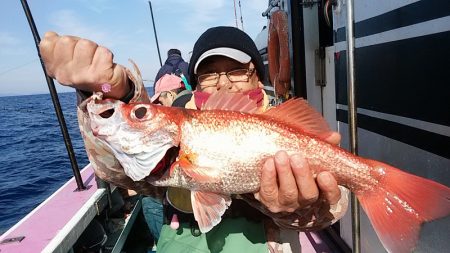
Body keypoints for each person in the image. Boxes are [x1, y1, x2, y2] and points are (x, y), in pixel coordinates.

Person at [39, 27, 348, 252]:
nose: (224, 83)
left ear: (257, 75)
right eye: (210, 73)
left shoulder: (280, 118)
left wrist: (301, 209)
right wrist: (105, 90)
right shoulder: (177, 122)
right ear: (196, 81)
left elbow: (332, 211)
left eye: (237, 70)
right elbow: (114, 170)